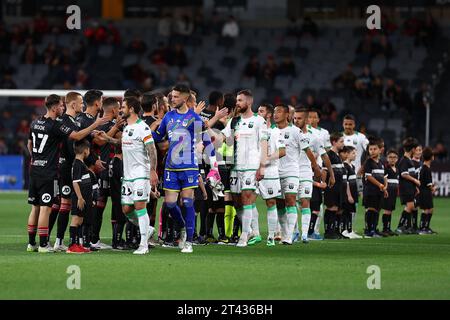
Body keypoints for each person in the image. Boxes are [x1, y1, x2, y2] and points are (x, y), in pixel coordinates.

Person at [26, 95, 103, 253]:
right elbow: (75, 136)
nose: (62, 108)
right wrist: (95, 124)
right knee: (46, 208)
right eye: (61, 106)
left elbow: (29, 144)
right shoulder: (55, 125)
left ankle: (31, 243)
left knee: (35, 208)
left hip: (34, 170)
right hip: (49, 172)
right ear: (54, 108)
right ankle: (43, 245)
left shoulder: (35, 122)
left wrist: (37, 159)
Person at [153, 84, 219, 253]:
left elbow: (205, 138)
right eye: (171, 96)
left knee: (188, 202)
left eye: (175, 97)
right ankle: (183, 226)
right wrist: (145, 132)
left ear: (184, 98)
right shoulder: (168, 117)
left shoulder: (194, 118)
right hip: (171, 167)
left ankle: (188, 241)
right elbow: (159, 137)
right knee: (169, 203)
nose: (172, 99)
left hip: (189, 166)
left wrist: (213, 163)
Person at [52, 92, 108, 252]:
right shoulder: (63, 121)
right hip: (67, 168)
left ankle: (77, 241)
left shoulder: (73, 121)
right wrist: (95, 125)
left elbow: (81, 137)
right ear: (73, 105)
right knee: (65, 205)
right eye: (80, 102)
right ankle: (59, 241)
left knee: (76, 205)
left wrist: (92, 134)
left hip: (76, 167)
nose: (83, 105)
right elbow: (75, 138)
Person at [211, 90, 268, 247]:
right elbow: (220, 138)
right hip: (235, 166)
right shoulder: (234, 121)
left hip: (251, 165)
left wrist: (262, 167)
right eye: (237, 100)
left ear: (249, 102)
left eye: (240, 100)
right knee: (237, 203)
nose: (237, 103)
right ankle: (250, 230)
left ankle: (244, 235)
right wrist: (208, 126)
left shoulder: (259, 121)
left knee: (247, 197)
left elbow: (264, 144)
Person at [273, 104, 320, 245]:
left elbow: (308, 151)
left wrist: (316, 167)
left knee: (291, 200)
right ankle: (285, 232)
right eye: (274, 112)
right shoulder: (271, 131)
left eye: (279, 112)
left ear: (287, 115)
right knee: (279, 204)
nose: (275, 114)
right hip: (275, 171)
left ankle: (290, 235)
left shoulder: (296, 131)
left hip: (292, 171)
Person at [120, 97, 158, 255]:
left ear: (132, 109)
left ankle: (144, 244)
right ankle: (148, 229)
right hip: (128, 175)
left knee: (140, 207)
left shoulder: (143, 127)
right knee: (127, 209)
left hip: (141, 173)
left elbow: (152, 150)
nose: (121, 109)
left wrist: (152, 171)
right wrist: (107, 138)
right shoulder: (126, 127)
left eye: (123, 107)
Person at [293, 108, 327, 243]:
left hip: (306, 172)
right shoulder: (288, 133)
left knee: (305, 201)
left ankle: (305, 234)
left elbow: (323, 153)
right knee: (291, 202)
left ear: (306, 120)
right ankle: (294, 231)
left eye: (299, 118)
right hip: (291, 172)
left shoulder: (315, 136)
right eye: (294, 118)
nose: (296, 121)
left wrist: (321, 169)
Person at [256, 104, 285, 246]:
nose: (258, 113)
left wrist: (267, 158)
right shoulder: (252, 130)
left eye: (261, 111)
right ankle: (253, 233)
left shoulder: (275, 132)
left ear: (268, 115)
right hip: (250, 170)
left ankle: (271, 236)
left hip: (269, 171)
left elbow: (282, 151)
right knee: (245, 201)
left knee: (271, 203)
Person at [307, 108, 333, 240]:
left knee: (318, 204)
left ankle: (315, 230)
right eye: (309, 117)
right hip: (306, 169)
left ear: (318, 119)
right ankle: (303, 231)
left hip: (319, 170)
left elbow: (326, 152)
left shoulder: (323, 133)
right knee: (304, 203)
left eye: (314, 117)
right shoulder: (302, 131)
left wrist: (327, 171)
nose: (311, 119)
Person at [67, 140, 94, 254]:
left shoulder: (81, 163)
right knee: (76, 220)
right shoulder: (77, 164)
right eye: (88, 149)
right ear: (85, 151)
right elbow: (75, 182)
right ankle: (72, 245)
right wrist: (80, 198)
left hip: (84, 197)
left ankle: (78, 244)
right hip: (79, 198)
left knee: (80, 220)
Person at [362, 138, 388, 238]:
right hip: (371, 191)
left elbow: (385, 177)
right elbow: (368, 176)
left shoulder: (381, 163)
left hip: (379, 191)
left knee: (377, 209)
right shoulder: (368, 162)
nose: (372, 151)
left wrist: (385, 187)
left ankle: (374, 229)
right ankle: (369, 231)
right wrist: (379, 185)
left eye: (374, 149)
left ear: (379, 150)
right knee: (371, 209)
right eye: (370, 149)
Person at [395, 137, 421, 234]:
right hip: (405, 187)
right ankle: (400, 227)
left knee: (412, 206)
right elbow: (404, 174)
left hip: (410, 187)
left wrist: (415, 187)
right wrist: (415, 180)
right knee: (410, 206)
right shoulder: (404, 160)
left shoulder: (408, 160)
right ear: (413, 149)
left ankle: (408, 227)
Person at [323, 132, 345, 240]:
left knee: (338, 209)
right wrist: (323, 184)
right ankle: (329, 231)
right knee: (331, 208)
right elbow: (324, 171)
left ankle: (336, 231)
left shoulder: (338, 156)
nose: (343, 144)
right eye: (341, 141)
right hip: (331, 187)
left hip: (339, 187)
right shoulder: (329, 155)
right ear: (334, 142)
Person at [341, 146, 360, 239]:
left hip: (354, 193)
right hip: (348, 194)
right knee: (348, 212)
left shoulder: (353, 166)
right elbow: (346, 182)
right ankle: (347, 231)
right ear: (347, 154)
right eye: (353, 153)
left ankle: (350, 230)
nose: (355, 155)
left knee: (352, 212)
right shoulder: (345, 166)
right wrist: (349, 195)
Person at [418, 147, 437, 234]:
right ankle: (422, 228)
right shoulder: (426, 169)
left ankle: (426, 226)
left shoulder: (424, 168)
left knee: (430, 209)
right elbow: (428, 184)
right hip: (425, 192)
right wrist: (433, 188)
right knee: (426, 209)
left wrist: (431, 187)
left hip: (425, 191)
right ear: (432, 157)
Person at [380, 149, 400, 236]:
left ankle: (388, 228)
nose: (392, 159)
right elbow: (384, 179)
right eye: (390, 157)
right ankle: (385, 228)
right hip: (388, 190)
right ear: (387, 158)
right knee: (387, 210)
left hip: (394, 191)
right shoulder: (386, 168)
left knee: (390, 210)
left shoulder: (397, 169)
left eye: (394, 157)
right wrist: (385, 189)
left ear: (397, 159)